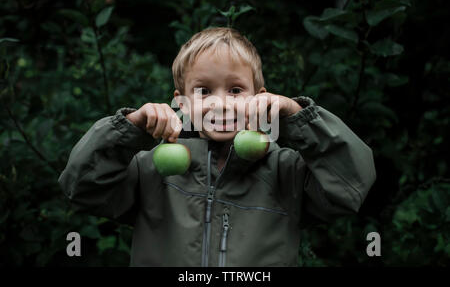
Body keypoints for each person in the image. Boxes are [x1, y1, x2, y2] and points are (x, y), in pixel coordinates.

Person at [58, 27, 376, 266]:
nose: (221, 103)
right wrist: (129, 129)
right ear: (179, 101)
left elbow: (352, 184)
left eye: (236, 90)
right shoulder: (151, 168)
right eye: (204, 91)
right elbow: (82, 187)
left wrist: (297, 116)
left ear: (260, 95)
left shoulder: (284, 171)